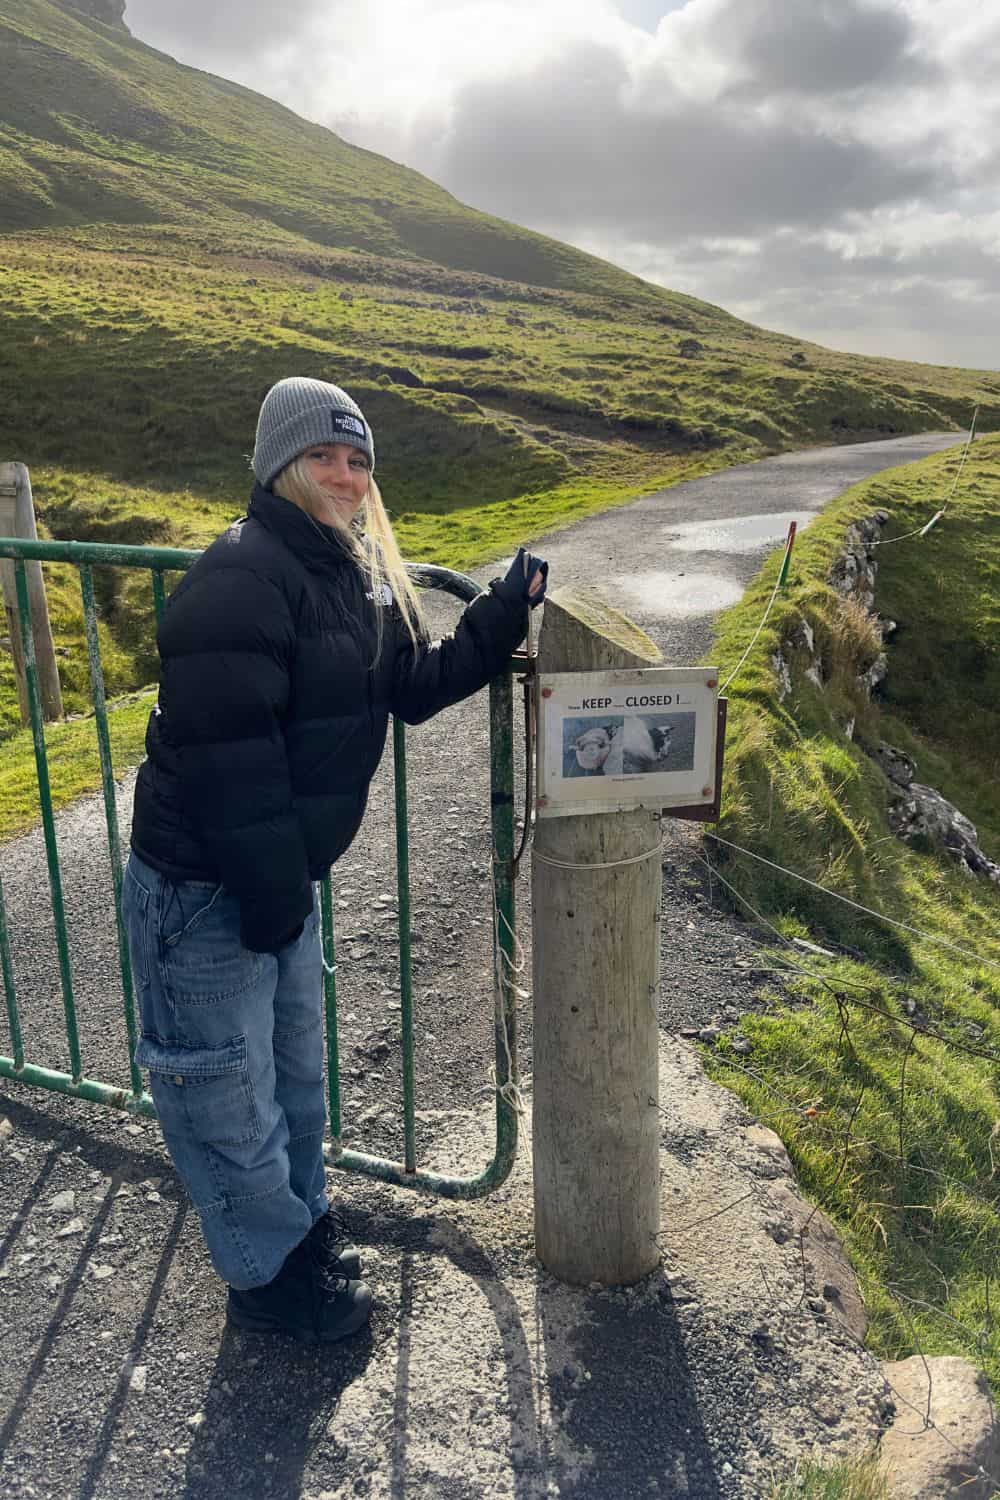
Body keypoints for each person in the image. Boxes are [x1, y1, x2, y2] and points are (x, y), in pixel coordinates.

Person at [121, 376, 547, 1345]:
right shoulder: (241, 574)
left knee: (293, 1081)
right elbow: (232, 765)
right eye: (326, 456)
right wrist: (271, 899)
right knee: (222, 1091)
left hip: (273, 882)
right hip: (204, 888)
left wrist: (496, 618)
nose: (347, 475)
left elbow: (410, 685)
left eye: (358, 460)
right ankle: (266, 1283)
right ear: (281, 464)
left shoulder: (348, 572)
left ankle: (298, 1229)